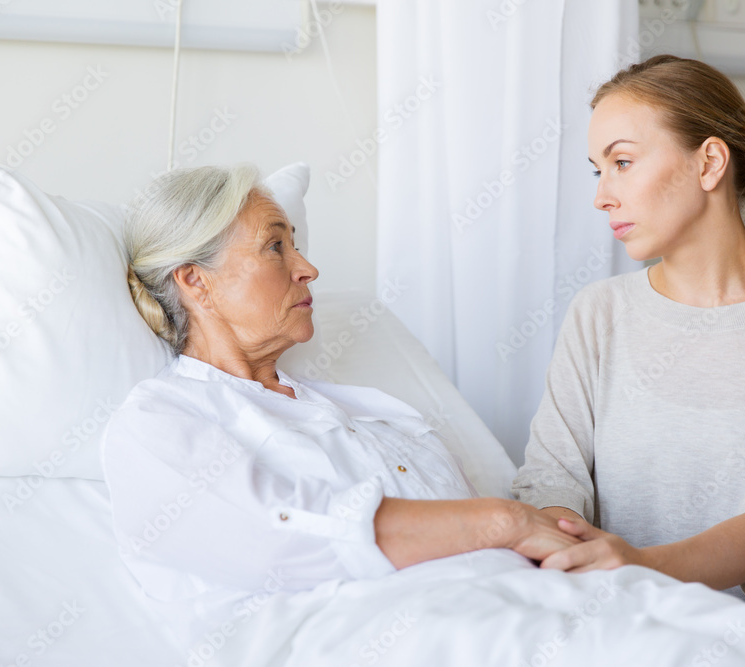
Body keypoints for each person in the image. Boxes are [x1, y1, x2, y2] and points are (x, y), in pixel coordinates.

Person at [101, 164, 578, 602]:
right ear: (194, 281)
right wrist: (505, 521)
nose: (307, 269)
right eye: (275, 246)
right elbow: (274, 538)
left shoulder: (374, 413)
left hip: (537, 600)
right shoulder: (160, 421)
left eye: (297, 245)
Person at [510, 55, 745, 611]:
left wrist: (640, 566)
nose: (601, 195)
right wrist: (575, 555)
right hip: (616, 615)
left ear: (708, 163)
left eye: (623, 162)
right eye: (597, 169)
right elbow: (551, 481)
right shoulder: (599, 313)